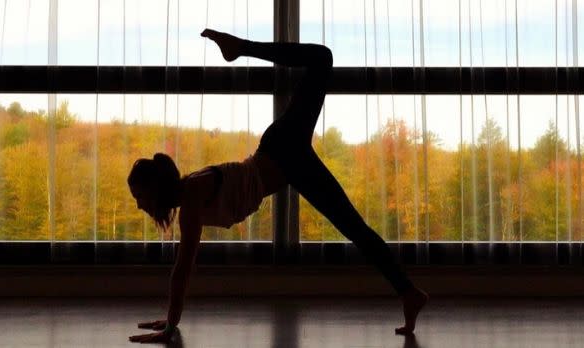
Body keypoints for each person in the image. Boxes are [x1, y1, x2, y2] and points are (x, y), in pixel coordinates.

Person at [128, 29, 428, 344]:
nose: (138, 204)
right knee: (355, 228)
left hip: (283, 151)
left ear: (156, 189)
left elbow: (182, 271)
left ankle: (240, 47)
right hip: (288, 163)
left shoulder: (191, 199)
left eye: (140, 196)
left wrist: (171, 326)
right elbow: (183, 271)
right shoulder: (189, 193)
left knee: (321, 58)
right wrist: (170, 321)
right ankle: (409, 293)